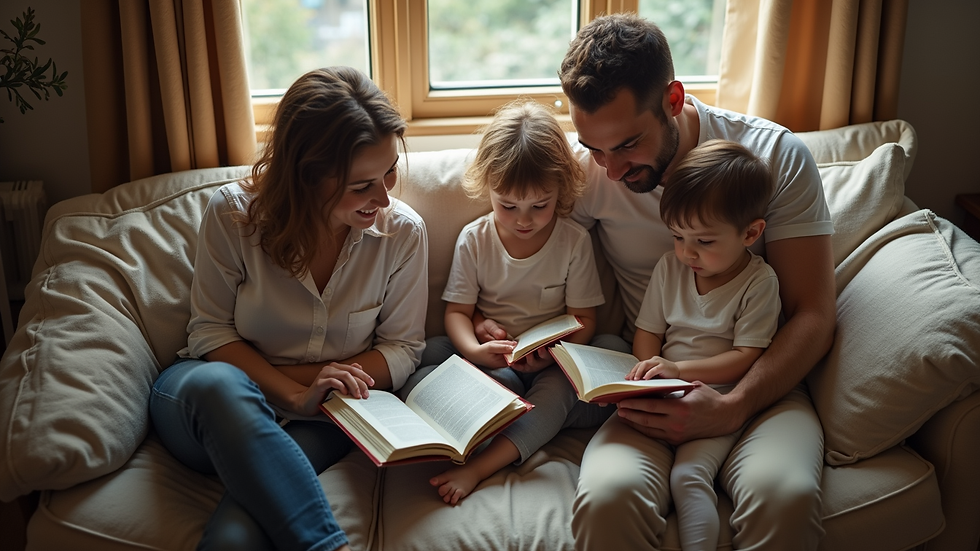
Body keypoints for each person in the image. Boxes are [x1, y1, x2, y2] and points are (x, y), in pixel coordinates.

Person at [551, 13, 837, 551]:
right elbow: (537, 257)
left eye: (628, 145)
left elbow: (814, 314)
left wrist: (734, 405)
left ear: (674, 100)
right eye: (595, 149)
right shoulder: (589, 172)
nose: (610, 170)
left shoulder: (774, 157)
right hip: (650, 382)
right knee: (607, 500)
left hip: (759, 382)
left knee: (785, 496)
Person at [149, 67, 428, 551]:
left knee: (238, 536)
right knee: (219, 383)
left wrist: (315, 395)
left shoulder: (402, 234)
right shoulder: (235, 216)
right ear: (307, 176)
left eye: (389, 173)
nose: (383, 198)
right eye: (362, 185)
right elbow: (210, 334)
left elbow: (402, 350)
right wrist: (296, 392)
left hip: (328, 416)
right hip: (209, 406)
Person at [420, 100, 608, 505]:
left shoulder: (572, 241)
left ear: (561, 189)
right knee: (425, 355)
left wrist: (553, 351)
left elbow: (585, 318)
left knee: (594, 365)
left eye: (540, 206)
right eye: (507, 206)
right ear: (488, 186)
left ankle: (483, 463)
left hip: (552, 362)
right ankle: (519, 406)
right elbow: (456, 312)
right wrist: (475, 350)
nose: (524, 220)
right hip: (492, 357)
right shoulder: (475, 239)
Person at [626, 140, 781, 551]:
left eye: (705, 242)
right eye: (678, 236)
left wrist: (680, 372)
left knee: (687, 476)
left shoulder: (758, 282)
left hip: (719, 394)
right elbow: (648, 332)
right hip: (665, 385)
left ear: (751, 233)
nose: (687, 252)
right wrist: (650, 370)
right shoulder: (669, 267)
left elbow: (745, 358)